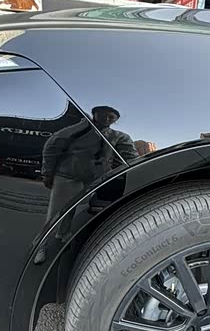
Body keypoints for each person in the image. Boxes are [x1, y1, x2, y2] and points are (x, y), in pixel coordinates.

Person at [33, 106, 137, 263]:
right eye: (103, 115)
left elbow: (131, 156)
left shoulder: (117, 136)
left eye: (111, 117)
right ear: (95, 114)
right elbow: (51, 147)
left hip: (91, 179)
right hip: (68, 175)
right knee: (55, 213)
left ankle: (63, 234)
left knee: (72, 208)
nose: (106, 119)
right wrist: (47, 172)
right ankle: (40, 245)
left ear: (116, 120)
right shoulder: (77, 130)